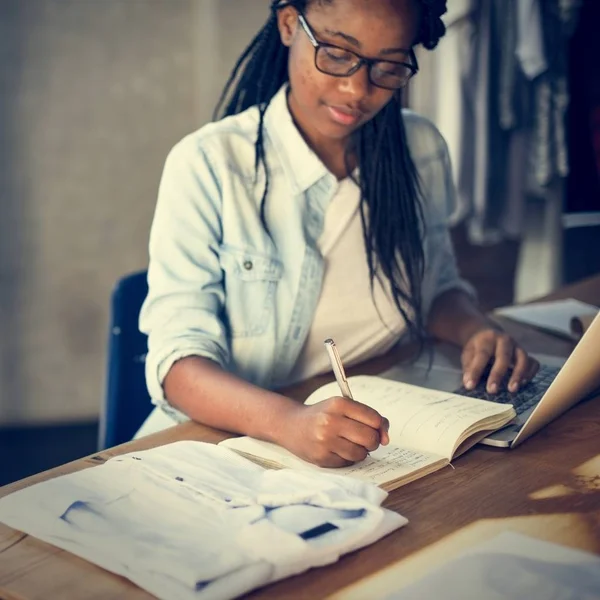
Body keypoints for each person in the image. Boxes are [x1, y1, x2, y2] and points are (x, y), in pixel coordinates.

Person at [137, 0, 539, 467]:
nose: (356, 89)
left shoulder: (421, 149)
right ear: (289, 25)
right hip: (226, 443)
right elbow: (178, 366)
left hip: (378, 427)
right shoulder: (209, 165)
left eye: (388, 66)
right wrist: (290, 421)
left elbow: (436, 292)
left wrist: (477, 330)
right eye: (336, 53)